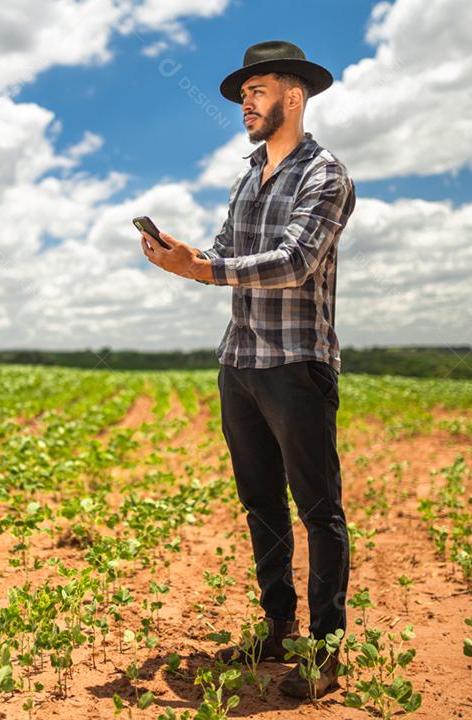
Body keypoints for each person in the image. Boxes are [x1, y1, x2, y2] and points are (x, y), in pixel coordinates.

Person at [139, 40, 355, 700]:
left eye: (256, 90)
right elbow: (228, 254)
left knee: (318, 510)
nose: (243, 104)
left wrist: (205, 269)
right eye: (241, 95)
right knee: (261, 503)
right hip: (241, 362)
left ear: (294, 97)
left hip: (297, 364)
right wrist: (185, 255)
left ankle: (325, 651)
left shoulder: (326, 176)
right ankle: (277, 626)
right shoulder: (247, 176)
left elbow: (294, 263)